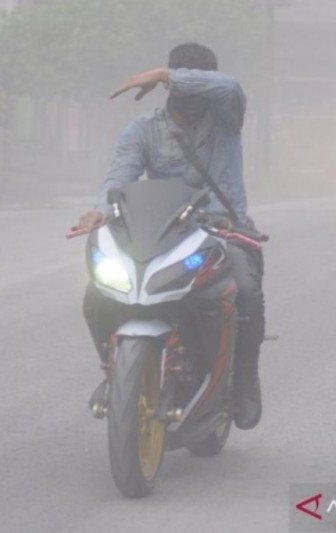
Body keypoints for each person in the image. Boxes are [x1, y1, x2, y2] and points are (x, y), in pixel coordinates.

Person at [76, 42, 265, 430]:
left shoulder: (227, 117)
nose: (193, 95)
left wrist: (165, 74)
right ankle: (115, 372)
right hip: (164, 232)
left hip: (220, 230)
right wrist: (101, 208)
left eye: (200, 86)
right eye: (182, 84)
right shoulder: (142, 130)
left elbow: (230, 87)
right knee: (97, 294)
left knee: (246, 292)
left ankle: (244, 383)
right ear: (170, 90)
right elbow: (120, 177)